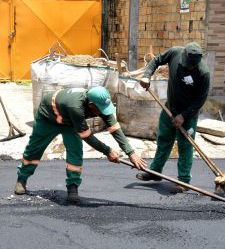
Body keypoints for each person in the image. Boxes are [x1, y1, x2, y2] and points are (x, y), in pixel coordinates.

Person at [14, 86, 146, 203]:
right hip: (48, 118)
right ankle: (22, 179)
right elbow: (87, 136)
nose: (103, 113)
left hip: (70, 122)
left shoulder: (99, 104)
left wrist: (131, 152)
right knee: (35, 149)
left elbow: (114, 127)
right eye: (100, 110)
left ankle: (72, 187)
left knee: (75, 151)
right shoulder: (76, 107)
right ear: (91, 105)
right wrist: (108, 151)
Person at [137, 42, 210, 192]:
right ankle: (155, 172)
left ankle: (183, 181)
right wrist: (146, 76)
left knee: (185, 146)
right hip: (169, 108)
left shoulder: (203, 73)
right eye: (187, 64)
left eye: (191, 66)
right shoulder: (175, 53)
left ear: (198, 61)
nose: (188, 67)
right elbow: (156, 60)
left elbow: (200, 99)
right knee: (163, 140)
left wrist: (184, 116)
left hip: (187, 115)